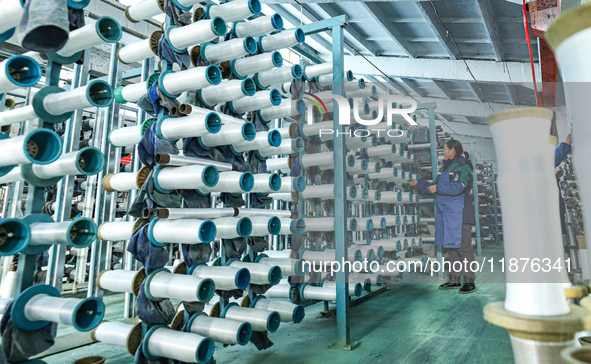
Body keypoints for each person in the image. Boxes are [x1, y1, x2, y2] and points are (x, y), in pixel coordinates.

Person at [409, 140, 476, 294]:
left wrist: (438, 187)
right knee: (451, 247)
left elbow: (459, 187)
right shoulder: (445, 168)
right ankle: (454, 280)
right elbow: (434, 185)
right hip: (447, 213)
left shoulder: (462, 166)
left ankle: (469, 281)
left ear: (452, 151)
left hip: (460, 214)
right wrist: (418, 183)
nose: (443, 151)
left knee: (463, 247)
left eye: (445, 148)